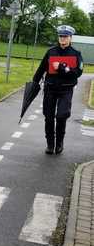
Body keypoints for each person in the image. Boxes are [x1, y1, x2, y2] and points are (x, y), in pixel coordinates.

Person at [33, 25, 83, 155]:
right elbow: (41, 69)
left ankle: (59, 143)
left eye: (65, 36)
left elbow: (77, 73)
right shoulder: (51, 52)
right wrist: (34, 83)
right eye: (61, 36)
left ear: (70, 38)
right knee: (48, 117)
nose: (62, 39)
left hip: (66, 90)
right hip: (50, 88)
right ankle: (50, 144)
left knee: (61, 116)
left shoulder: (76, 54)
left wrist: (61, 67)